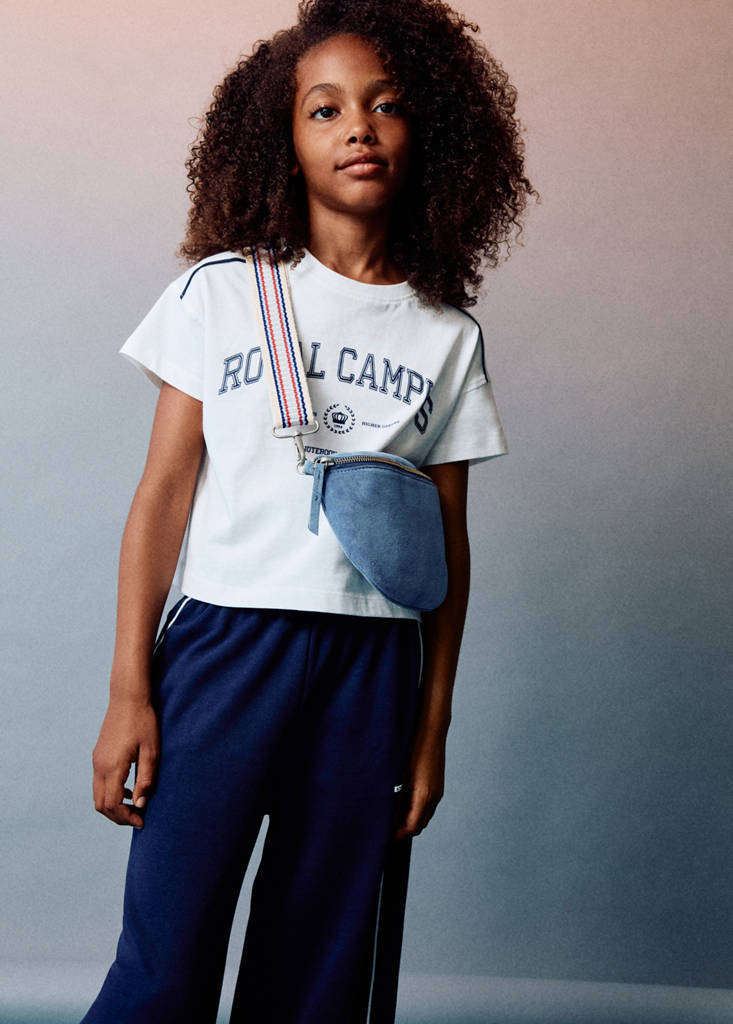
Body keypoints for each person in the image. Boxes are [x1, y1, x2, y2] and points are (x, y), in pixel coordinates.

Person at [80, 1, 536, 1021]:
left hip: (373, 669)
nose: (357, 128)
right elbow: (161, 495)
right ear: (281, 141)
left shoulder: (445, 334)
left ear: (432, 133)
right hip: (226, 649)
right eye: (324, 110)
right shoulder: (222, 293)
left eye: (386, 105)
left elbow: (446, 546)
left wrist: (431, 725)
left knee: (316, 976)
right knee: (166, 959)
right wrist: (128, 691)